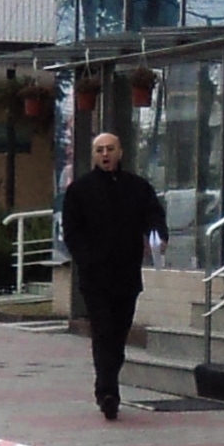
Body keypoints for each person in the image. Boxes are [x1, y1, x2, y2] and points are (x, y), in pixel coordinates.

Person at [60, 127, 166, 422]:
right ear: (93, 156)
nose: (105, 154)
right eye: (99, 150)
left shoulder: (137, 187)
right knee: (103, 331)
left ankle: (107, 382)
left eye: (110, 149)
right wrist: (87, 260)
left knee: (119, 334)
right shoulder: (79, 190)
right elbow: (72, 232)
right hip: (95, 277)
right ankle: (107, 391)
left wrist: (158, 236)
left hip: (127, 274)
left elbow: (154, 215)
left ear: (120, 152)